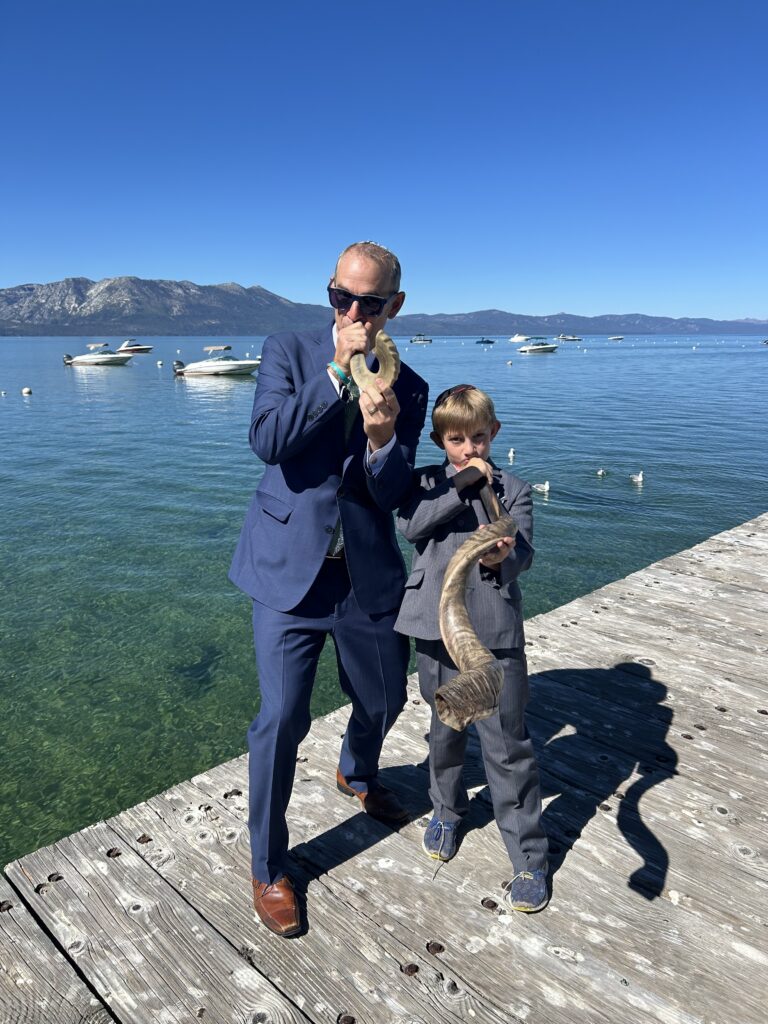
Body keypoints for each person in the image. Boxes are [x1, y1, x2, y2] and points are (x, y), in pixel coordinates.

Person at [229, 241, 429, 936]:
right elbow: (268, 440)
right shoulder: (286, 350)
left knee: (387, 695)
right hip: (287, 571)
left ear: (392, 307)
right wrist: (336, 382)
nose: (350, 312)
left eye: (366, 303)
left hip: (363, 574)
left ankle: (356, 769)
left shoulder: (410, 387)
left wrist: (381, 444)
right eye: (338, 297)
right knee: (280, 718)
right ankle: (268, 867)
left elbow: (393, 491)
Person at [394, 384, 550, 912]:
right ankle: (446, 810)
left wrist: (496, 558)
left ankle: (529, 857)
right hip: (436, 631)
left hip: (494, 634)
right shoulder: (428, 483)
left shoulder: (518, 489)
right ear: (441, 441)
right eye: (457, 440)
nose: (470, 449)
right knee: (444, 731)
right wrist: (462, 482)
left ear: (494, 434)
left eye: (478, 438)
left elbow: (520, 556)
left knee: (507, 744)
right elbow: (411, 524)